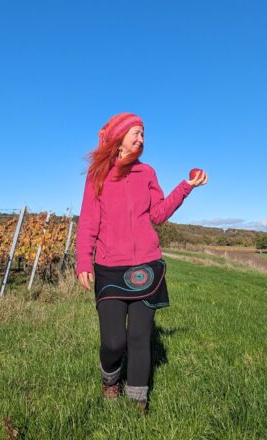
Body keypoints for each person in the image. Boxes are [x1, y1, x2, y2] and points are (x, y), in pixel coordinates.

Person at [75, 112, 208, 412]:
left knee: (138, 338)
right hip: (109, 267)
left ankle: (138, 401)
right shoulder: (98, 174)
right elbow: (88, 222)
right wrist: (83, 260)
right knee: (113, 342)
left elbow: (158, 214)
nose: (141, 138)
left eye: (143, 134)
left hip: (146, 267)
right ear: (120, 135)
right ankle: (110, 379)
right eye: (136, 132)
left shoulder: (147, 173)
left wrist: (186, 186)